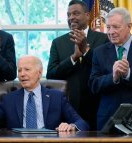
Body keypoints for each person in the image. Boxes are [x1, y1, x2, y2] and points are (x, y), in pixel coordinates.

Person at [0, 55, 89, 131]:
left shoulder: (56, 97)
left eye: (27, 69)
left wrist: (71, 126)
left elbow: (82, 124)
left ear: (39, 72)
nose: (22, 74)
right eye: (19, 70)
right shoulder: (9, 100)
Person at [46, 0, 108, 130]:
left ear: (87, 15)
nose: (71, 17)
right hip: (67, 108)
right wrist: (73, 58)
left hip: (96, 107)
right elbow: (51, 75)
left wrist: (86, 51)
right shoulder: (58, 42)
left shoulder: (103, 39)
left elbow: (106, 69)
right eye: (68, 15)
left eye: (76, 13)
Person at [89, 7, 132, 130]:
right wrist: (113, 77)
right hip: (107, 120)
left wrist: (128, 73)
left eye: (116, 27)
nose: (111, 32)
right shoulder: (99, 52)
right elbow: (93, 85)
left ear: (129, 26)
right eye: (108, 27)